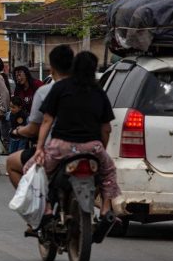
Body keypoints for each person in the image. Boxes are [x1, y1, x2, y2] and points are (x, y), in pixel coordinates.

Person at [26, 51, 121, 238]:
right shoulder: (98, 91)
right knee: (108, 173)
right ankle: (105, 209)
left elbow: (46, 120)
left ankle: (45, 211)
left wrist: (39, 149)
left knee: (32, 170)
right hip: (92, 147)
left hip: (62, 146)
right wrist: (101, 150)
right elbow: (106, 129)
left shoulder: (61, 88)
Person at [6, 45, 74, 188]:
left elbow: (41, 125)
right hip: (92, 149)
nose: (18, 77)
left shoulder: (46, 91)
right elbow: (105, 129)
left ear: (52, 68)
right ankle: (105, 206)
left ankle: (38, 202)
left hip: (56, 148)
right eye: (16, 75)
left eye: (20, 74)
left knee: (12, 163)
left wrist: (17, 131)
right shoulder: (92, 91)